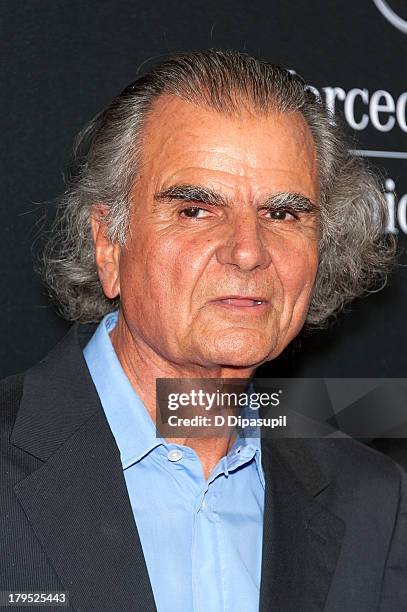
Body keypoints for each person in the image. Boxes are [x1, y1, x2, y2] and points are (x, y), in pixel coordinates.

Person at [1, 50, 406, 612]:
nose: (247, 250)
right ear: (108, 244)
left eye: (283, 214)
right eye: (196, 210)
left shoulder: (371, 499)